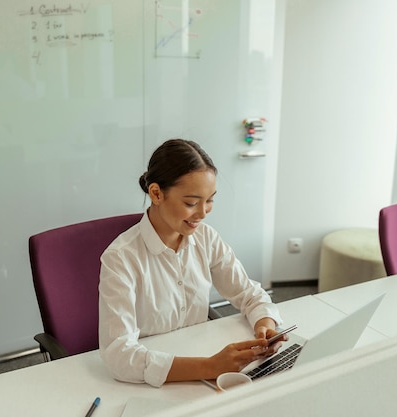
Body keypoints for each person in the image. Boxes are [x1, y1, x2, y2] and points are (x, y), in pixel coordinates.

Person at [98, 139, 286, 387]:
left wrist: (265, 325)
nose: (203, 212)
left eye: (210, 200)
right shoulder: (120, 258)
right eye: (191, 203)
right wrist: (210, 366)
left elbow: (249, 293)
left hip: (202, 367)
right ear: (156, 193)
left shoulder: (206, 238)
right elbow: (119, 355)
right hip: (154, 381)